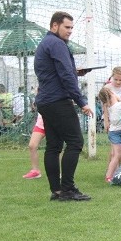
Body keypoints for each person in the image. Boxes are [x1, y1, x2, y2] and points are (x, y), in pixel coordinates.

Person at [34, 11, 94, 201]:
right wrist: (81, 101)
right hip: (58, 101)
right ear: (54, 26)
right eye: (67, 27)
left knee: (53, 146)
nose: (70, 31)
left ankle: (57, 191)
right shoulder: (57, 44)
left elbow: (58, 72)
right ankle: (68, 189)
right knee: (75, 142)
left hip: (45, 101)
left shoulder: (45, 43)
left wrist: (74, 72)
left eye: (71, 28)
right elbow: (66, 76)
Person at [97, 86, 121, 182]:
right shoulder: (120, 105)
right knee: (117, 155)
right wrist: (120, 98)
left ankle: (115, 174)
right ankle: (109, 176)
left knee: (116, 154)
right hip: (117, 132)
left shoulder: (110, 107)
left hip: (114, 132)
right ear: (111, 94)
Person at [22, 113, 45, 179]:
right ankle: (35, 171)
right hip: (41, 123)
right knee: (32, 145)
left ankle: (60, 172)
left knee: (56, 147)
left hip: (55, 122)